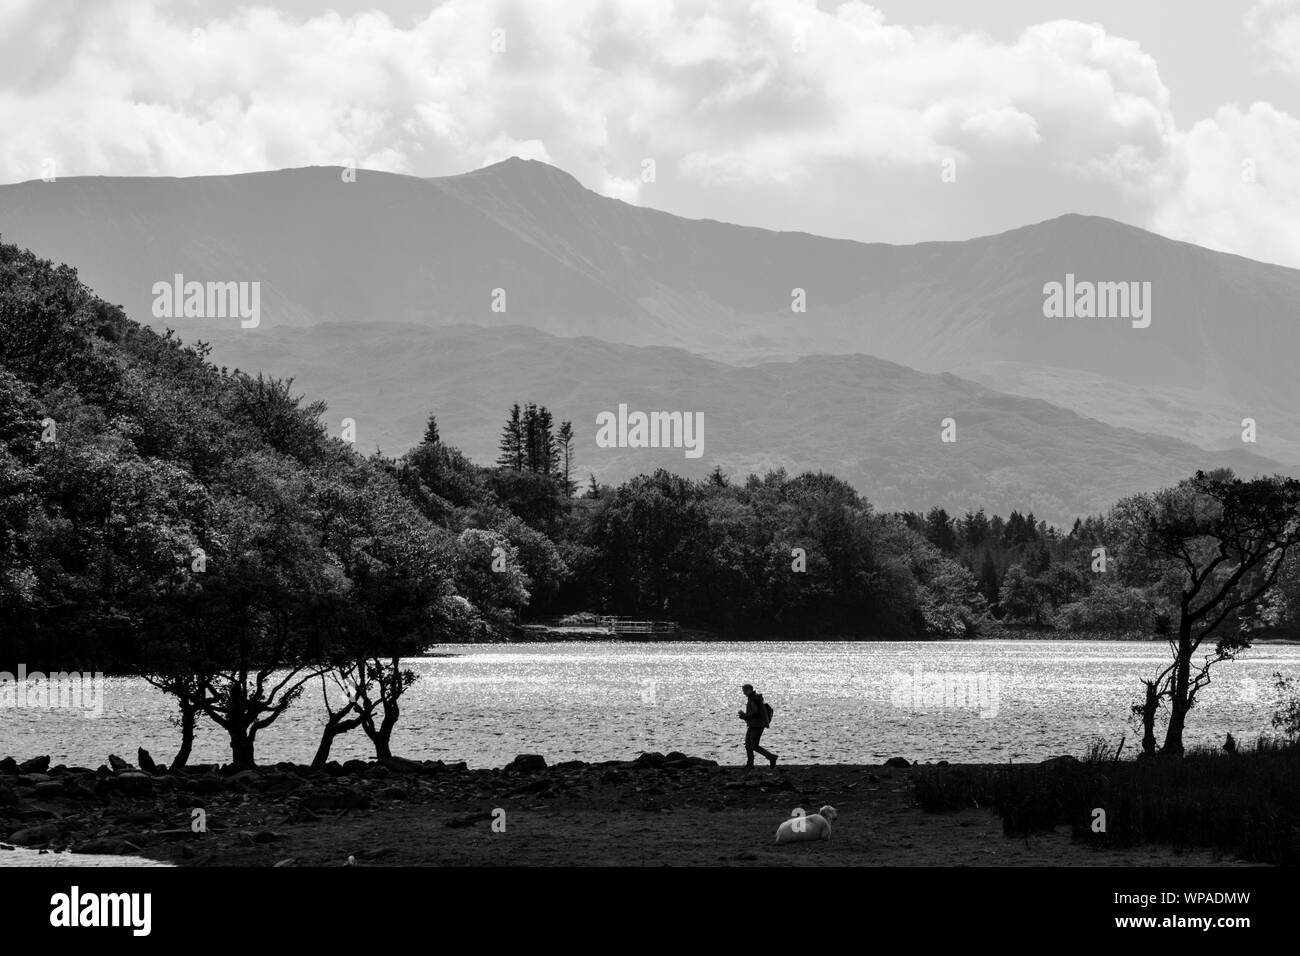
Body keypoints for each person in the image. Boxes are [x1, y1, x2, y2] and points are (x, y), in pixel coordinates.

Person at [738, 683, 777, 768]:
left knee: (754, 746)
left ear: (750, 690)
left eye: (744, 691)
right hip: (753, 724)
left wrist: (745, 716)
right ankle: (750, 764)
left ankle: (771, 757)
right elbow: (754, 712)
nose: (744, 693)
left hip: (757, 725)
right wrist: (745, 716)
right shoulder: (753, 698)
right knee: (748, 745)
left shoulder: (754, 699)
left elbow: (755, 712)